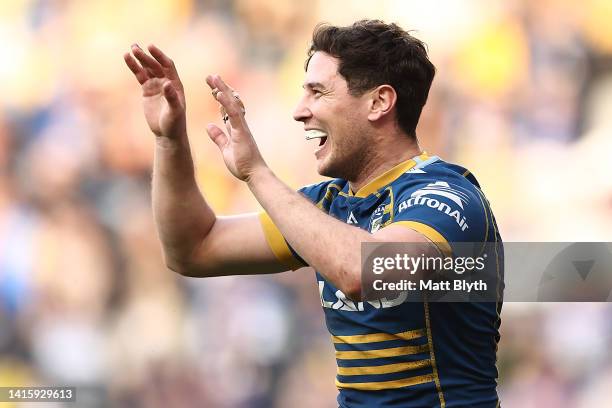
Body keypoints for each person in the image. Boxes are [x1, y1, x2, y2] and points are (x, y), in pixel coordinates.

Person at [124, 19, 503, 408]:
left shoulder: (447, 196)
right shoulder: (328, 204)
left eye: (317, 92)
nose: (299, 111)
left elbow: (366, 272)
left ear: (379, 102)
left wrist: (257, 173)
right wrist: (168, 139)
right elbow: (192, 249)